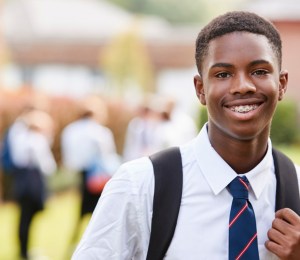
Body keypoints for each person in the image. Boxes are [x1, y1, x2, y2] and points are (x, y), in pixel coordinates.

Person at [72, 11, 300, 259]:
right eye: (223, 74)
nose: (242, 86)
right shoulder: (140, 187)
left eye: (259, 71)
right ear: (200, 89)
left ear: (282, 84)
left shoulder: (297, 186)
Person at [61, 95, 120, 228]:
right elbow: (108, 155)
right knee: (98, 208)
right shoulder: (99, 132)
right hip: (96, 175)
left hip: (79, 172)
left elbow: (68, 155)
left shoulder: (70, 130)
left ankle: (77, 236)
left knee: (82, 208)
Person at [9, 107, 57, 259]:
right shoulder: (38, 140)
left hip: (21, 183)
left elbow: (17, 160)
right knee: (28, 218)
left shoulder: (20, 138)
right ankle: (25, 251)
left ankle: (23, 249)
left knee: (24, 217)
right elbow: (48, 166)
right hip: (33, 185)